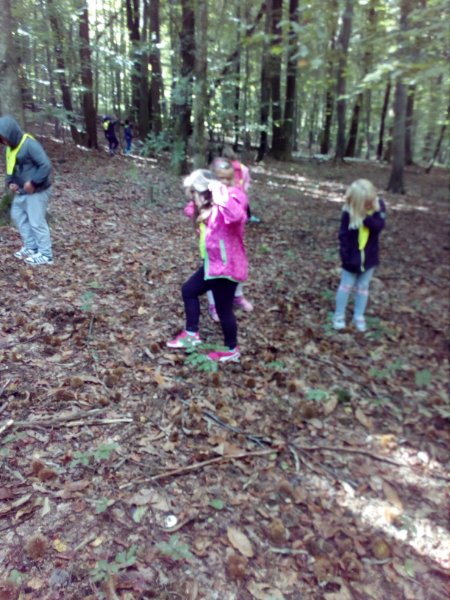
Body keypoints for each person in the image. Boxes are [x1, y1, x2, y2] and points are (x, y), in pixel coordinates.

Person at [167, 169, 248, 363]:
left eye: (194, 193)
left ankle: (231, 350)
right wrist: (201, 200)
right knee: (189, 290)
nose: (192, 198)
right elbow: (190, 210)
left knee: (224, 310)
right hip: (213, 266)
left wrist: (218, 192)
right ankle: (191, 335)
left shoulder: (226, 206)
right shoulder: (207, 209)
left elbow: (237, 215)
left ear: (204, 192)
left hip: (226, 269)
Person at [333, 179, 386, 332]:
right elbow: (343, 235)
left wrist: (365, 217)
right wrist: (345, 255)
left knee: (363, 287)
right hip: (351, 257)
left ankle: (359, 315)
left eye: (370, 201)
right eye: (365, 203)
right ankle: (339, 315)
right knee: (346, 286)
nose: (369, 204)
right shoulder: (348, 211)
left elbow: (378, 227)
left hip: (369, 257)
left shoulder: (379, 207)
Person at [0, 115, 54, 265]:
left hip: (37, 191)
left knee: (36, 222)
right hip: (22, 192)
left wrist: (34, 182)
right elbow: (10, 167)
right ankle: (31, 247)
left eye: (4, 137)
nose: (3, 141)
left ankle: (46, 255)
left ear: (11, 133)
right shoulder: (9, 148)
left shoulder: (29, 144)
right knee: (18, 216)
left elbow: (45, 165)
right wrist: (10, 182)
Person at [208, 157, 253, 321]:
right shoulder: (207, 193)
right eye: (221, 178)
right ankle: (214, 304)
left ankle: (237, 295)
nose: (225, 182)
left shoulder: (235, 194)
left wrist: (221, 196)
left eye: (229, 178)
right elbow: (194, 208)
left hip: (232, 242)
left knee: (236, 268)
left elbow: (235, 215)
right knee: (212, 274)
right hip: (212, 244)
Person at [222, 146, 260, 223]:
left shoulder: (225, 167)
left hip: (230, 190)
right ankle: (247, 216)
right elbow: (247, 179)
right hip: (240, 188)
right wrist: (244, 188)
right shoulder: (241, 166)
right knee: (243, 203)